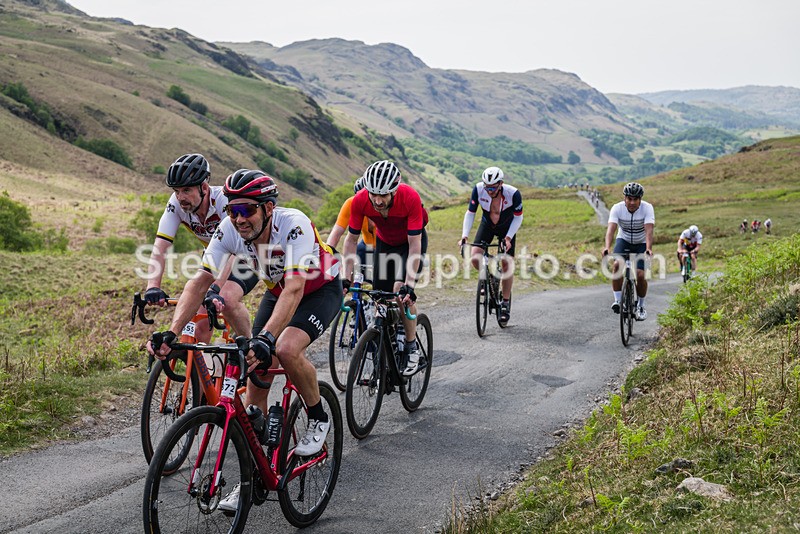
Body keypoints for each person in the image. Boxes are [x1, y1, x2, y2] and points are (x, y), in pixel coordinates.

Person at [149, 169, 342, 466]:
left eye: (247, 210)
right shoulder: (228, 229)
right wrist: (172, 332)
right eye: (232, 210)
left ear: (268, 208)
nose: (238, 219)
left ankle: (318, 416)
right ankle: (256, 471)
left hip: (319, 289)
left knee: (285, 349)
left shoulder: (294, 225)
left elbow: (295, 289)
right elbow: (200, 281)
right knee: (257, 370)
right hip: (277, 291)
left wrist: (267, 338)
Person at [141, 153, 256, 340]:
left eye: (186, 190)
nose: (180, 197)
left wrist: (215, 289)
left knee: (226, 299)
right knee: (199, 322)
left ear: (204, 187)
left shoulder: (224, 202)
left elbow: (233, 251)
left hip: (246, 255)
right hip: (214, 256)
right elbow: (160, 246)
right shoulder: (176, 204)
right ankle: (200, 367)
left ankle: (250, 350)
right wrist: (153, 286)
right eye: (176, 191)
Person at [341, 160, 428, 376]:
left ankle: (410, 346)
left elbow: (415, 245)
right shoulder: (361, 200)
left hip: (409, 243)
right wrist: (346, 277)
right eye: (374, 195)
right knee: (379, 297)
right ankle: (387, 340)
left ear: (395, 191)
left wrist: (409, 284)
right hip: (384, 243)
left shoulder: (410, 198)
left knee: (400, 291)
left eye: (384, 195)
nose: (378, 201)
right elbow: (351, 240)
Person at [458, 166, 523, 324]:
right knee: (475, 257)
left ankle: (505, 303)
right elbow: (470, 213)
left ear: (501, 184)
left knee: (507, 263)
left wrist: (508, 238)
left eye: (493, 187)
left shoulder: (513, 194)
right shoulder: (479, 190)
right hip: (487, 225)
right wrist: (464, 236)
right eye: (487, 187)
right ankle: (491, 274)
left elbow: (518, 217)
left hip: (506, 228)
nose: (489, 190)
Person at [602, 182, 654, 321]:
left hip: (641, 243)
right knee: (617, 266)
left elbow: (649, 230)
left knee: (641, 274)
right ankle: (618, 301)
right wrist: (607, 247)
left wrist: (648, 249)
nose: (632, 202)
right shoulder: (617, 208)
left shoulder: (647, 208)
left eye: (635, 199)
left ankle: (641, 306)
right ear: (624, 198)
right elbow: (611, 229)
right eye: (629, 199)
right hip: (623, 240)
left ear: (640, 199)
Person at [326, 175, 376, 278]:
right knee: (350, 272)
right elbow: (336, 233)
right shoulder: (351, 204)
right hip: (365, 245)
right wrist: (326, 256)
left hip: (384, 247)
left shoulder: (382, 204)